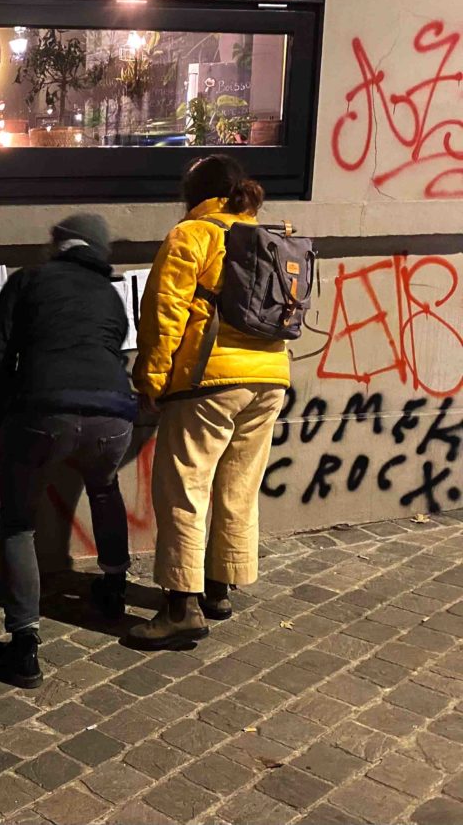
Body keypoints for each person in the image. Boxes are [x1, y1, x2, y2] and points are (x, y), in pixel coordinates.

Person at [128, 154, 289, 650]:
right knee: (238, 485)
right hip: (272, 379)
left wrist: (151, 379)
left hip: (208, 383)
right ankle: (220, 588)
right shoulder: (271, 238)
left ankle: (180, 607)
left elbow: (163, 316)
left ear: (193, 193)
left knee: (184, 489)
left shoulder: (192, 235)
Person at [0, 214, 137, 687]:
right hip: (113, 413)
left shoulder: (27, 281)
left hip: (43, 412)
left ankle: (25, 645)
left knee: (17, 520)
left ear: (59, 246)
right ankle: (113, 587)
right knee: (105, 488)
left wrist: (3, 413)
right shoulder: (110, 295)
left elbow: (0, 351)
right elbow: (119, 352)